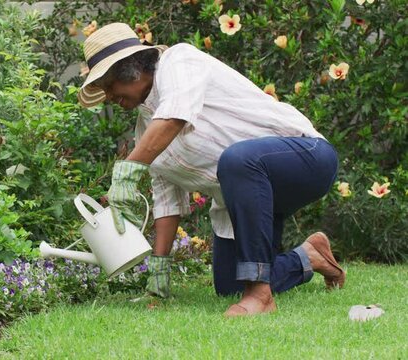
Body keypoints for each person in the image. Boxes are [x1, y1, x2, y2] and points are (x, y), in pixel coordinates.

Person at [77, 23, 346, 317]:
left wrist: (128, 169)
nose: (108, 97)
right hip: (249, 199)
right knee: (229, 286)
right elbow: (166, 200)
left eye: (108, 86)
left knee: (237, 159)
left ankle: (260, 296)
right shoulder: (146, 131)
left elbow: (175, 114)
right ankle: (309, 256)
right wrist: (159, 271)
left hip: (306, 158)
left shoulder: (179, 62)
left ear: (129, 68)